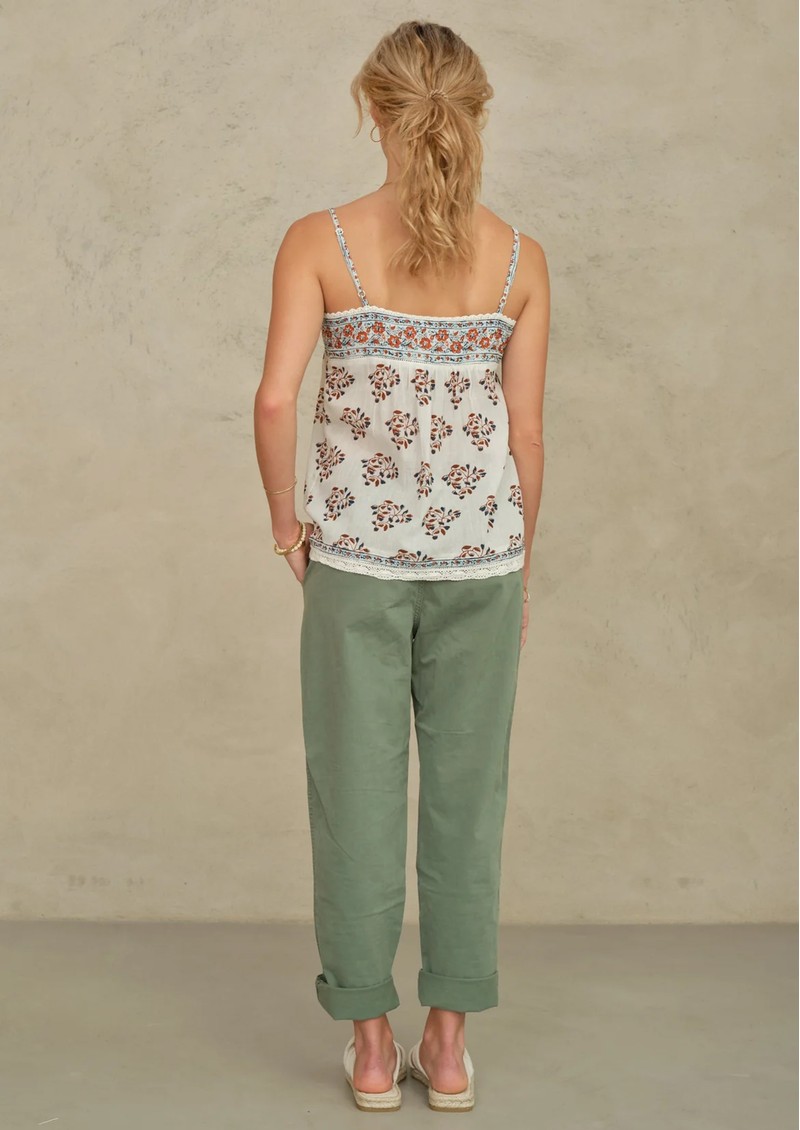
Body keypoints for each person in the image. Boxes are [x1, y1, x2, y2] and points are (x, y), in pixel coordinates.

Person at [254, 19, 549, 1113]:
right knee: (470, 800)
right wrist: (519, 566)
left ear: (372, 110)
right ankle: (451, 1047)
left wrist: (288, 529)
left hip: (355, 568)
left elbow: (275, 400)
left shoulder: (318, 241)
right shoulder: (518, 261)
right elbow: (526, 437)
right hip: (483, 567)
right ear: (474, 114)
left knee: (354, 797)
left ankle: (372, 1048)